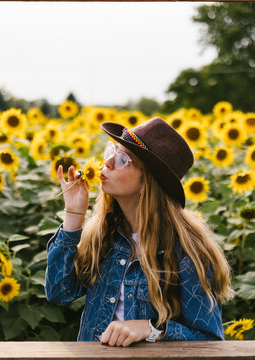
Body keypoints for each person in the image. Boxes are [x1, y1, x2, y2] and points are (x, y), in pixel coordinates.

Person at [46, 117, 232, 346]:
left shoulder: (187, 252)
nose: (108, 162)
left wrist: (152, 328)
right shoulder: (103, 234)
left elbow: (210, 340)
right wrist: (73, 216)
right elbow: (58, 291)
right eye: (113, 150)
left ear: (149, 182)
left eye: (124, 159)